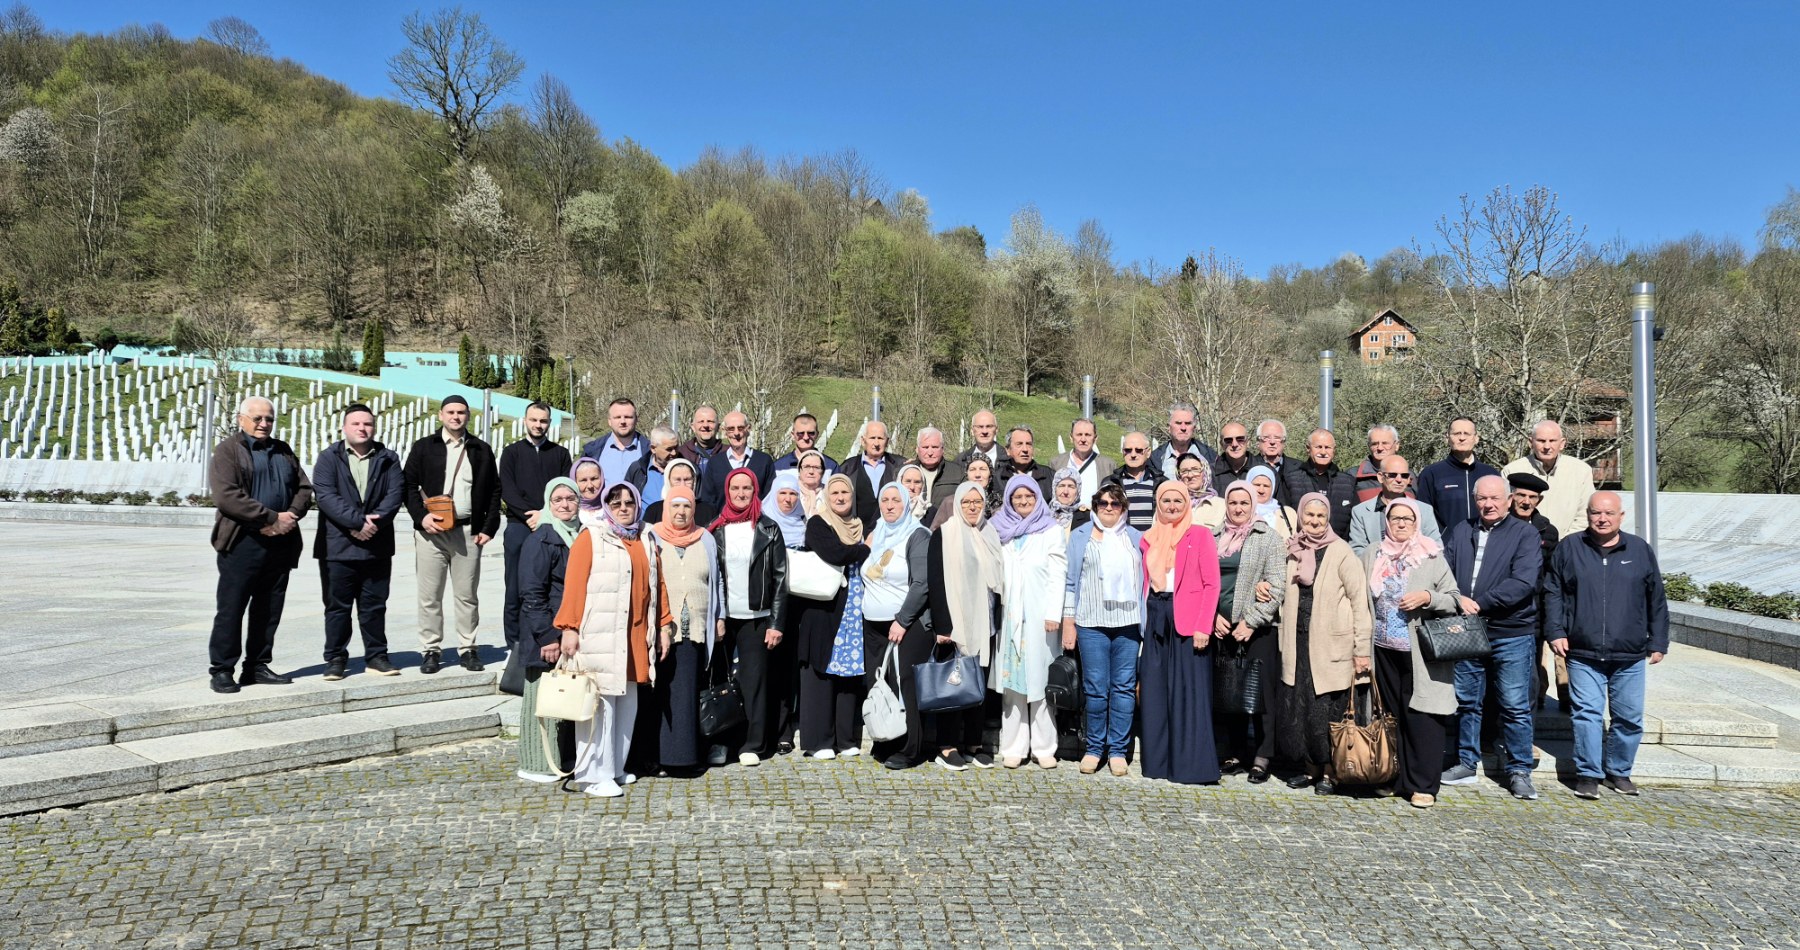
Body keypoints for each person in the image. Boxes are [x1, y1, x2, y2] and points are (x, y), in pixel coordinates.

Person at [1543, 491, 1669, 800]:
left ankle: (1619, 771)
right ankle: (1588, 773)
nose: (1602, 519)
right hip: (1583, 650)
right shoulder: (1570, 548)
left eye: (1609, 514)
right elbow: (1553, 592)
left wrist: (1659, 640)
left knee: (1629, 717)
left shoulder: (1639, 550)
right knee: (1586, 713)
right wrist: (1556, 631)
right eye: (1596, 513)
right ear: (1587, 515)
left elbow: (1656, 599)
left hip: (1629, 653)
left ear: (1621, 516)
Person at [553, 481, 671, 798]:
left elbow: (658, 585)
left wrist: (663, 626)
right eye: (616, 502)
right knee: (599, 706)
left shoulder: (646, 537)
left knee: (627, 704)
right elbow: (575, 584)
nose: (622, 507)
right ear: (607, 505)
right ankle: (592, 775)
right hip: (599, 632)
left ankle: (615, 768)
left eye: (628, 502)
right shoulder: (591, 537)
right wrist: (569, 627)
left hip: (634, 634)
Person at [1440, 475, 1545, 801]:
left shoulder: (1525, 534)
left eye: (1495, 499)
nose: (1488, 504)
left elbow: (1523, 583)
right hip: (1467, 629)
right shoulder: (1461, 530)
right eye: (1482, 499)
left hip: (1510, 632)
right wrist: (1455, 599)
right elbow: (1445, 570)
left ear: (1509, 500)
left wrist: (1481, 603)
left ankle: (1519, 771)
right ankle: (1466, 762)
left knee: (1514, 705)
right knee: (1467, 702)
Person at [1359, 499, 1461, 808]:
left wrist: (1427, 597)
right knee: (1390, 717)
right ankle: (1393, 777)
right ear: (1386, 523)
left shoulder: (1430, 555)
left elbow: (1454, 598)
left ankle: (1422, 785)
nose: (1401, 524)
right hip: (1382, 649)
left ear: (1416, 523)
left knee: (1423, 717)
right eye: (1395, 518)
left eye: (1407, 519)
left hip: (1419, 651)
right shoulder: (1371, 554)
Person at [208, 396, 314, 693]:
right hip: (243, 541)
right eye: (257, 418)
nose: (264, 424)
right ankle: (222, 669)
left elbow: (304, 488)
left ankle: (256, 666)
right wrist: (268, 519)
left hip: (281, 543)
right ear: (241, 419)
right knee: (232, 608)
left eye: (269, 418)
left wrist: (290, 515)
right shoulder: (228, 451)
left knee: (268, 608)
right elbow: (227, 496)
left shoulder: (282, 450)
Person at [1277, 492, 1372, 795]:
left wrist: (1361, 650)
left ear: (1328, 518)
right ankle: (1310, 768)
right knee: (1301, 709)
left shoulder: (1342, 551)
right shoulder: (1294, 549)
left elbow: (1360, 603)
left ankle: (1331, 772)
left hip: (1331, 646)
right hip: (1298, 642)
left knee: (1327, 713)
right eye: (1309, 516)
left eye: (1320, 516)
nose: (1315, 521)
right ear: (1301, 517)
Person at [402, 395, 502, 674]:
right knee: (430, 595)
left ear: (468, 416)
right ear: (440, 415)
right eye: (450, 412)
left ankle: (468, 648)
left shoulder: (481, 449)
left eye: (461, 412)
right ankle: (431, 650)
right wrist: (421, 517)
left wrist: (488, 528)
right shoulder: (424, 447)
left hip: (467, 532)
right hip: (431, 533)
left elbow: (495, 490)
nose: (455, 417)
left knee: (467, 595)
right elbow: (408, 484)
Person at [311, 402, 404, 681]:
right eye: (356, 424)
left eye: (368, 424)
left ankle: (377, 656)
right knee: (337, 607)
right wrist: (357, 523)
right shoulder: (329, 458)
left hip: (376, 547)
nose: (363, 428)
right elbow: (325, 496)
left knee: (374, 606)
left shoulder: (388, 458)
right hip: (337, 547)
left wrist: (372, 524)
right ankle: (336, 658)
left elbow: (395, 493)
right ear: (345, 427)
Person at [1138, 481, 1222, 785]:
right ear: (1158, 504)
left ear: (1187, 503)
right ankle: (1158, 763)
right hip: (1156, 614)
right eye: (1166, 500)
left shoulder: (1199, 535)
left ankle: (1190, 766)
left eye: (1177, 500)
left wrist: (1203, 625)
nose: (1172, 506)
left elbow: (1212, 584)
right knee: (1156, 692)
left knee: (1187, 693)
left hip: (1188, 620)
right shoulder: (1148, 539)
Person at [710, 469, 792, 767]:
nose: (741, 493)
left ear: (755, 491)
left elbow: (781, 579)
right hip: (723, 617)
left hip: (757, 618)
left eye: (747, 488)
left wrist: (776, 623)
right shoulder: (716, 529)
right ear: (727, 491)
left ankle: (754, 744)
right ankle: (722, 741)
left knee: (754, 682)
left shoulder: (768, 529)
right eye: (735, 488)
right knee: (721, 682)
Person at [1060, 483, 1143, 776]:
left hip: (1129, 624)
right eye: (1103, 503)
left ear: (1124, 508)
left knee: (1122, 688)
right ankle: (1094, 748)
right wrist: (1068, 622)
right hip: (1090, 622)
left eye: (1115, 503)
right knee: (1095, 689)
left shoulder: (1135, 538)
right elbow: (1070, 582)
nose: (1109, 508)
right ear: (1095, 506)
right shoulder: (1080, 537)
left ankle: (1118, 750)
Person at [1209, 481, 1287, 784]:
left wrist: (1251, 620)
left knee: (1262, 694)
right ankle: (1235, 752)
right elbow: (1206, 580)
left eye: (1244, 503)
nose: (1238, 508)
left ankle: (1262, 755)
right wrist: (1212, 615)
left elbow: (1277, 585)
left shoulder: (1268, 537)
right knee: (1229, 692)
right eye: (1233, 503)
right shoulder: (1215, 536)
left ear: (1253, 504)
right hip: (1222, 626)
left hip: (1257, 630)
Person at [990, 474, 1069, 769]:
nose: (1023, 502)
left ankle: (1045, 746)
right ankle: (1014, 746)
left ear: (1038, 499)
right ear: (1009, 500)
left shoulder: (1050, 530)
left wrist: (1053, 612)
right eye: (1017, 497)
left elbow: (1058, 573)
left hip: (1039, 618)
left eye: (1029, 497)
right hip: (1010, 616)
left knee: (1040, 683)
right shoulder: (1000, 530)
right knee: (1013, 685)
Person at [927, 481, 1006, 770]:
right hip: (955, 626)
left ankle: (973, 742)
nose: (972, 507)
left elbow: (997, 579)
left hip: (984, 624)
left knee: (977, 686)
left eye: (977, 502)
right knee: (953, 686)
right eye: (966, 502)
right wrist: (943, 626)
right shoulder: (944, 535)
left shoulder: (989, 533)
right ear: (957, 505)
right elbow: (936, 583)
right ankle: (946, 745)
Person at [645, 485, 722, 776]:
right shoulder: (653, 536)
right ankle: (660, 757)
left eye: (687, 507)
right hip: (663, 628)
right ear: (667, 508)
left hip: (696, 628)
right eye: (676, 506)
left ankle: (685, 757)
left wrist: (719, 615)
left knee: (688, 694)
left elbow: (718, 581)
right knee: (661, 693)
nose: (681, 512)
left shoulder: (705, 539)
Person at [795, 473, 870, 759]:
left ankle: (846, 738)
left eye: (845, 494)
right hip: (824, 609)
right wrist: (864, 549)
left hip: (853, 609)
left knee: (849, 674)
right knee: (821, 672)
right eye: (835, 493)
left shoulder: (860, 525)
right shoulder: (818, 523)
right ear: (827, 496)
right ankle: (819, 741)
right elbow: (834, 552)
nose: (840, 498)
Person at [860, 481, 933, 769]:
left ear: (906, 504)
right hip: (873, 624)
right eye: (885, 499)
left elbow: (921, 583)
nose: (890, 505)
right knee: (880, 685)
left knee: (905, 686)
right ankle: (886, 740)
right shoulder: (876, 534)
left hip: (907, 624)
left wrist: (902, 621)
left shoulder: (917, 535)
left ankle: (911, 748)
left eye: (896, 500)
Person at [515, 477, 580, 783]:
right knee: (541, 702)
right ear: (548, 504)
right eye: (558, 500)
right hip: (546, 635)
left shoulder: (576, 535)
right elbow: (531, 593)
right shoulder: (542, 539)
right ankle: (536, 763)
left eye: (571, 499)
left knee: (562, 701)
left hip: (565, 632)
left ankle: (559, 758)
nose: (565, 505)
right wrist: (547, 636)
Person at [498, 401, 572, 654]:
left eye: (543, 420)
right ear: (525, 421)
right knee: (516, 585)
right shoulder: (512, 452)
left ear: (549, 423)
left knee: (551, 585)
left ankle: (550, 635)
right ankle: (514, 643)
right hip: (520, 525)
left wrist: (545, 514)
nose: (538, 425)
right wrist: (531, 515)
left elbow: (565, 488)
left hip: (553, 526)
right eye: (534, 420)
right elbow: (507, 488)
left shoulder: (560, 454)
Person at [1510, 470, 1566, 709]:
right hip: (1504, 609)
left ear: (1539, 500)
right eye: (1521, 495)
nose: (1526, 501)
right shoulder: (1499, 525)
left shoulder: (1548, 531)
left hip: (1536, 611)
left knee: (1531, 671)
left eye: (1532, 497)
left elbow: (1552, 576)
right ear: (1511, 496)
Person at [1502, 420, 1595, 539]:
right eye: (1541, 441)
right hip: (1523, 544)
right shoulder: (1512, 470)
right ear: (1530, 442)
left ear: (1562, 443)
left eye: (1552, 441)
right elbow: (1504, 511)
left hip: (1567, 546)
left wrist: (1565, 543)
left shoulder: (1581, 471)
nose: (1547, 446)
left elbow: (1585, 515)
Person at [1415, 417, 1501, 529]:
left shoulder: (1491, 474)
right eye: (1456, 433)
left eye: (1467, 434)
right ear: (1447, 438)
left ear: (1476, 438)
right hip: (1445, 544)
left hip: (1485, 543)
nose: (1462, 438)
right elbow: (1422, 516)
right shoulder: (1431, 474)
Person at [1347, 454, 1442, 556]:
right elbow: (1357, 550)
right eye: (1392, 475)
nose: (1399, 480)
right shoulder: (1361, 512)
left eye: (1404, 476)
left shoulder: (1424, 510)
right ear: (1380, 477)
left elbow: (1436, 547)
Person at [1282, 428, 1357, 538]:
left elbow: (1353, 522)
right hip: (1301, 547)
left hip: (1336, 548)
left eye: (1327, 447)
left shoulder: (1348, 482)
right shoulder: (1291, 480)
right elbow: (1285, 517)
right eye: (1318, 447)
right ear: (1308, 448)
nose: (1323, 452)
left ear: (1334, 450)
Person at [698, 410, 775, 512]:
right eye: (730, 429)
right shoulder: (715, 463)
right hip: (723, 525)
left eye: (740, 428)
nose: (736, 433)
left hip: (756, 524)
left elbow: (770, 498)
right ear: (724, 431)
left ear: (748, 429)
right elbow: (708, 501)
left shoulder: (764, 461)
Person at [1050, 418, 1115, 521]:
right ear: (1071, 437)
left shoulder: (1107, 465)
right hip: (1065, 522)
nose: (1083, 439)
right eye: (1079, 434)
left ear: (1095, 438)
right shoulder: (1057, 463)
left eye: (1088, 435)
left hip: (1096, 522)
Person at [580, 397, 651, 488]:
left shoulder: (650, 452)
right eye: (617, 417)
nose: (622, 421)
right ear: (609, 421)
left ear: (636, 419)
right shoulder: (592, 452)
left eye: (628, 417)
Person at [847, 420, 906, 529]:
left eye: (880, 438)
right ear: (863, 440)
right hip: (856, 535)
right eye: (872, 438)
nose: (876, 443)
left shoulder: (901, 465)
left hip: (892, 532)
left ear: (887, 441)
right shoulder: (847, 468)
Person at [1104, 431, 1162, 532]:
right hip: (1122, 543)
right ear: (1123, 452)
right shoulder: (1110, 483)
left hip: (1153, 543)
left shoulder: (1161, 483)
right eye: (1128, 450)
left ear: (1148, 452)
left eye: (1139, 450)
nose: (1133, 454)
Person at [929, 453, 1001, 529]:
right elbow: (935, 533)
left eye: (982, 469)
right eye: (972, 469)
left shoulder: (999, 503)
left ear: (990, 473)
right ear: (966, 474)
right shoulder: (951, 502)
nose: (977, 474)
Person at [641, 458, 716, 527]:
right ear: (668, 481)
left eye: (687, 480)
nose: (682, 485)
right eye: (677, 480)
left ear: (694, 482)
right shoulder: (654, 511)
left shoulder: (708, 511)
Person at [1150, 402, 1217, 479]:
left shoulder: (1210, 457)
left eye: (1188, 423)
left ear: (1194, 428)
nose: (1183, 428)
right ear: (1169, 427)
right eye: (1178, 423)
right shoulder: (1154, 460)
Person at [622, 425, 680, 507]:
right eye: (669, 449)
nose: (674, 453)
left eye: (676, 448)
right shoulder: (638, 468)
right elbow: (626, 498)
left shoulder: (688, 470)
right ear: (653, 449)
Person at [909, 426, 960, 512]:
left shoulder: (958, 473)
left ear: (942, 449)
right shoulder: (904, 473)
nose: (930, 453)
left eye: (935, 447)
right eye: (925, 447)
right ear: (917, 449)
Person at [998, 426, 1055, 499]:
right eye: (1019, 444)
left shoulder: (1049, 476)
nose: (1025, 449)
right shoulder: (998, 478)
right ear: (1008, 450)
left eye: (1028, 444)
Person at [773, 412, 839, 475]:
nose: (806, 437)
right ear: (793, 435)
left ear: (817, 434)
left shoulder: (830, 467)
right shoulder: (778, 467)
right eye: (800, 433)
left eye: (811, 433)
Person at [1254, 419, 1298, 506]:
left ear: (1284, 442)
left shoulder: (1299, 468)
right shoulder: (1250, 467)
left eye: (1277, 438)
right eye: (1266, 438)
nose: (1272, 442)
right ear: (1258, 442)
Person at [1352, 425, 1400, 502]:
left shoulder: (1409, 476)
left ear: (1397, 445)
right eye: (1374, 444)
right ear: (1368, 446)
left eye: (1385, 443)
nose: (1380, 448)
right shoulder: (1353, 476)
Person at [1176, 454, 1226, 529]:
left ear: (1205, 472)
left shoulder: (1221, 505)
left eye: (1195, 469)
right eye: (1184, 471)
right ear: (1179, 475)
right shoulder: (1171, 504)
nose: (1190, 475)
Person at [1246, 465, 1297, 538]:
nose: (1261, 490)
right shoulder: (1238, 511)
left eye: (1266, 486)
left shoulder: (1288, 513)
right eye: (1257, 485)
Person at [1210, 421, 1255, 496]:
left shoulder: (1263, 470)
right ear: (1221, 444)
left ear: (1248, 442)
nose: (1234, 444)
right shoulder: (1210, 473)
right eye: (1228, 440)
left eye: (1240, 439)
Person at [678, 405, 724, 476]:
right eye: (701, 421)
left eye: (710, 421)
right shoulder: (681, 454)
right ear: (693, 427)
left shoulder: (728, 453)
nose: (705, 425)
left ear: (718, 426)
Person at [570, 457, 606, 531]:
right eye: (583, 480)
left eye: (594, 479)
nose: (590, 486)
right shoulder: (567, 511)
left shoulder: (613, 510)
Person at [794, 449, 828, 516]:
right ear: (799, 470)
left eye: (816, 467)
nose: (811, 471)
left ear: (823, 472)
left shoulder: (829, 494)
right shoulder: (791, 492)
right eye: (806, 466)